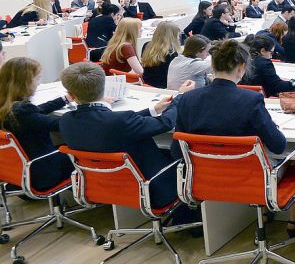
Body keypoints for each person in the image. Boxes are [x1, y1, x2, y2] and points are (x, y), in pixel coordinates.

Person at [173, 39, 295, 233]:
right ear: (241, 68)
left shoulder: (188, 99)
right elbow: (278, 145)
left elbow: (177, 147)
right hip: (250, 179)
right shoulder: (250, 100)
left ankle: (264, 215)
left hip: (206, 178)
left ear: (212, 65)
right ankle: (292, 220)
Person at [59, 62, 194, 210]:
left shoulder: (66, 121)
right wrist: (180, 96)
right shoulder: (120, 121)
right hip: (152, 187)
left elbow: (118, 122)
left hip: (106, 187)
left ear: (71, 96)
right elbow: (166, 123)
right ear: (104, 87)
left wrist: (153, 109)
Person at [0, 58, 74, 191]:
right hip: (43, 173)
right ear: (25, 83)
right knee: (82, 152)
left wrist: (66, 99)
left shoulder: (8, 108)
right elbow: (61, 125)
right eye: (37, 79)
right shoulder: (23, 112)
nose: (38, 84)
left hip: (18, 172)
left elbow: (36, 111)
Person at [140, 22, 181, 88]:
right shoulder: (172, 53)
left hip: (147, 84)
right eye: (178, 35)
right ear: (172, 36)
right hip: (164, 87)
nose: (179, 38)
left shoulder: (146, 45)